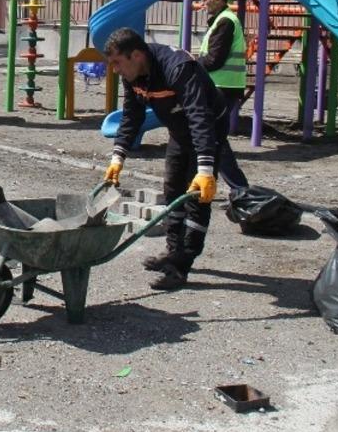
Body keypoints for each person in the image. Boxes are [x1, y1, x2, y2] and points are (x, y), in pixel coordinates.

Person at [101, 27, 247, 291]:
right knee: (173, 190)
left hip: (208, 130)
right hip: (180, 131)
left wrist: (205, 168)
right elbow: (132, 115)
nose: (114, 70)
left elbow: (199, 116)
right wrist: (117, 157)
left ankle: (181, 266)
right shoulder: (133, 75)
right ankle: (173, 251)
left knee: (196, 198)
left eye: (116, 63)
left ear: (136, 55)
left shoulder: (178, 67)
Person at [196, 0, 249, 190]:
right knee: (210, 137)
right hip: (221, 86)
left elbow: (214, 60)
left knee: (214, 138)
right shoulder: (222, 20)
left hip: (222, 87)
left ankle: (240, 189)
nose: (202, 4)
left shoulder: (225, 22)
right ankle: (207, 183)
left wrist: (191, 64)